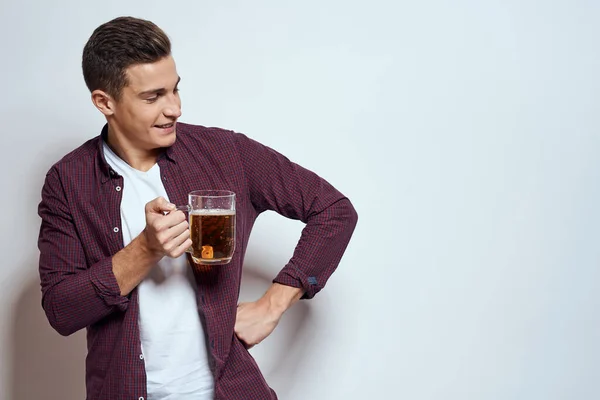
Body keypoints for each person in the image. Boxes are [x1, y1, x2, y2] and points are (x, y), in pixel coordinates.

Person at [37, 16, 358, 400]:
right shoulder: (68, 180)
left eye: (174, 90)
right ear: (105, 102)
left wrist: (274, 303)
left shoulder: (225, 154)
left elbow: (333, 210)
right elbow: (61, 310)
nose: (175, 108)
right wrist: (145, 250)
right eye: (153, 97)